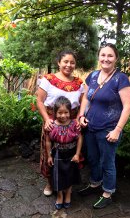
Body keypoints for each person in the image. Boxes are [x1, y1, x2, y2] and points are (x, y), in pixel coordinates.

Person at [77, 43, 130, 209]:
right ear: (99, 57)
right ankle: (95, 183)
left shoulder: (121, 79)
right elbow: (86, 98)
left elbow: (128, 106)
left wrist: (117, 129)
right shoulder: (92, 76)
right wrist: (81, 116)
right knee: (93, 159)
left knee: (107, 161)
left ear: (115, 58)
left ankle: (108, 192)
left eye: (110, 56)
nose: (106, 59)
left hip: (109, 129)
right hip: (90, 127)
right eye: (103, 55)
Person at [36, 50, 84, 197]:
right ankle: (50, 183)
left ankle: (68, 184)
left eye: (72, 62)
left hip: (72, 124)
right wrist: (46, 119)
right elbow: (39, 101)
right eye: (65, 62)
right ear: (59, 63)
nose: (69, 65)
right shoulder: (48, 79)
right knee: (50, 154)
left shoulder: (79, 83)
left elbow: (83, 103)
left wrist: (79, 117)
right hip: (52, 122)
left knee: (70, 154)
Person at [46, 96, 82, 209]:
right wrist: (49, 156)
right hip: (57, 154)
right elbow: (48, 141)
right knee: (58, 176)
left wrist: (77, 154)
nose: (63, 115)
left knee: (70, 174)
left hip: (71, 153)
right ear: (55, 113)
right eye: (60, 113)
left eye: (66, 112)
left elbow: (80, 138)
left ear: (70, 112)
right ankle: (60, 195)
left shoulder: (74, 125)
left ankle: (68, 194)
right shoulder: (51, 125)